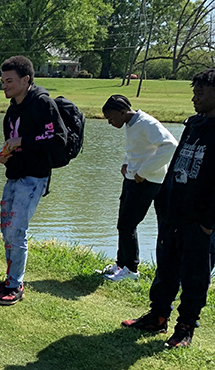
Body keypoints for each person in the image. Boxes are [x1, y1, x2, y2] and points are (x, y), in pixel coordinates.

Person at [121, 67, 215, 348]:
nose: (194, 98)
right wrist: (164, 200)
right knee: (167, 268)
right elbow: (175, 165)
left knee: (195, 275)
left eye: (200, 92)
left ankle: (185, 327)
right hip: (174, 212)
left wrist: (209, 221)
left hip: (202, 221)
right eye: (193, 92)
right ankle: (158, 316)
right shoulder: (193, 125)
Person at [0, 55, 66, 305]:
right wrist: (7, 155)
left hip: (33, 177)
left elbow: (57, 139)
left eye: (9, 81)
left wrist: (22, 142)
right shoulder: (14, 106)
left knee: (16, 230)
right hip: (14, 174)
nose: (4, 85)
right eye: (2, 81)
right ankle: (10, 279)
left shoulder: (42, 103)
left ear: (26, 79)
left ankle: (16, 285)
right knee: (6, 230)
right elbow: (15, 139)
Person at [96, 95, 177, 281]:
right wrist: (127, 163)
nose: (110, 123)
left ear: (122, 112)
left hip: (146, 181)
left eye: (111, 118)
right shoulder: (131, 124)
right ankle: (120, 264)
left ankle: (131, 270)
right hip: (133, 178)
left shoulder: (146, 123)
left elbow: (170, 145)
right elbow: (137, 148)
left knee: (128, 224)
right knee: (122, 223)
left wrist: (144, 171)